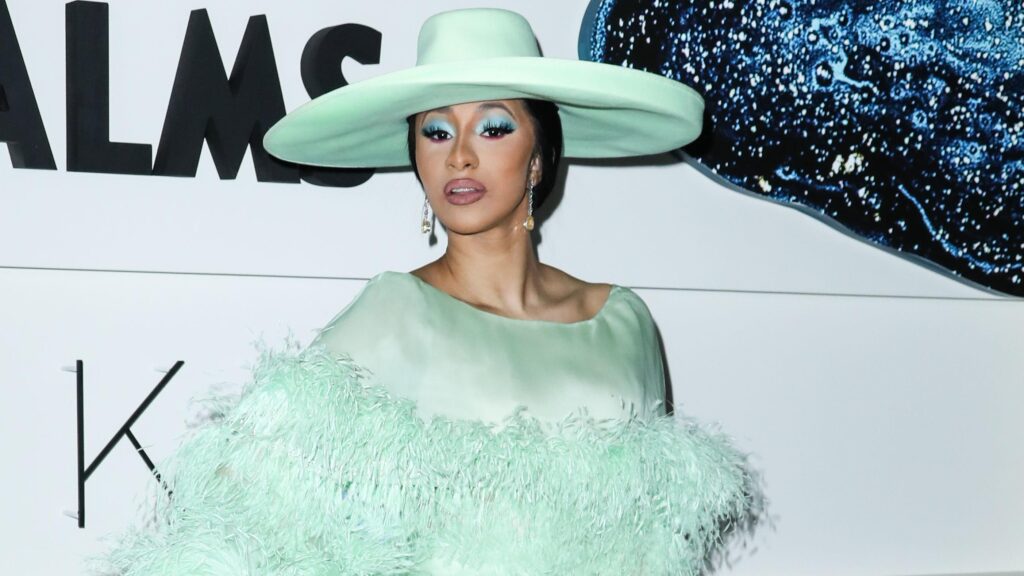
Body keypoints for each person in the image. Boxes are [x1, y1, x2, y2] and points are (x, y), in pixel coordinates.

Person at [98, 8, 758, 576]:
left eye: (493, 128)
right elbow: (238, 507)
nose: (460, 156)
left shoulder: (623, 322)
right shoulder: (397, 313)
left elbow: (655, 545)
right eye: (436, 132)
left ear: (537, 158)